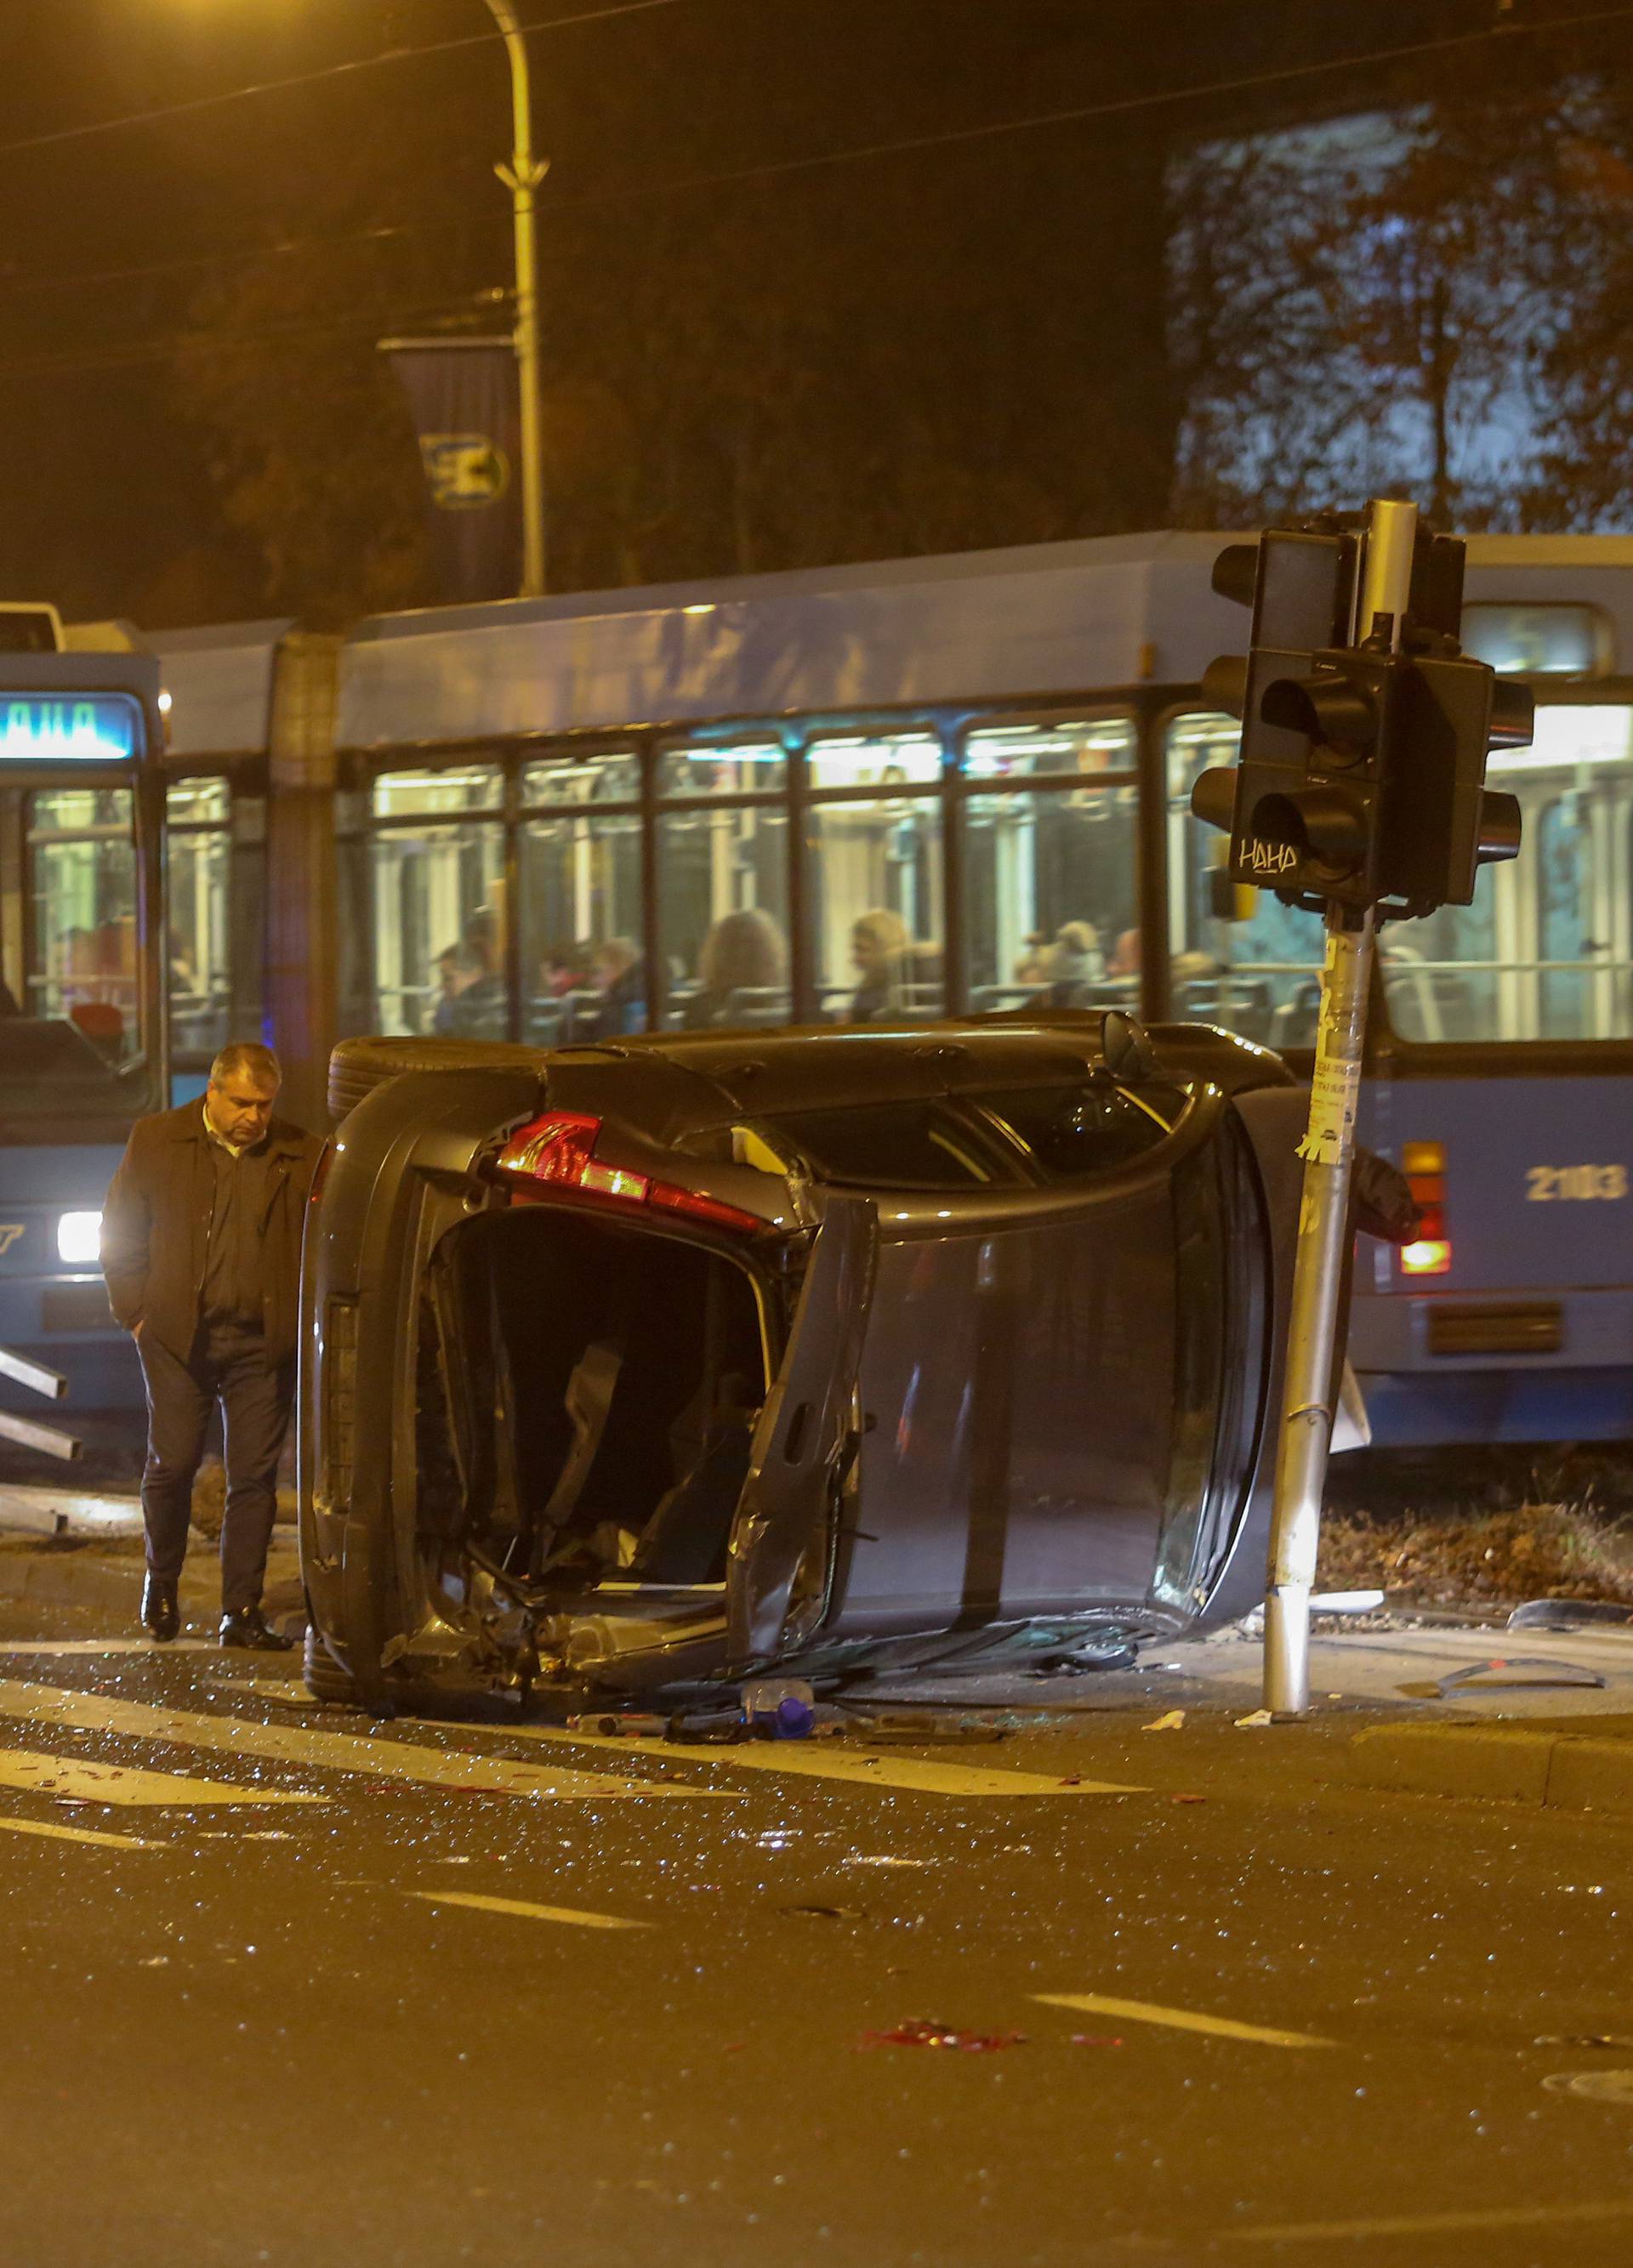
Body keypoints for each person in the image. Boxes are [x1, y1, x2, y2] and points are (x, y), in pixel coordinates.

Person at [100, 1042, 324, 1650]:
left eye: (266, 1104)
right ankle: (162, 1580)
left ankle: (240, 1610)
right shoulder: (158, 1139)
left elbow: (322, 1243)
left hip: (260, 1341)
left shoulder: (300, 1153)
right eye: (244, 1102)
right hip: (178, 1336)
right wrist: (137, 1314)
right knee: (172, 1463)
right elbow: (120, 1227)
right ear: (213, 1091)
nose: (255, 1116)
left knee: (253, 1476)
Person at [683, 908, 788, 1028]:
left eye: (751, 947)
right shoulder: (701, 1008)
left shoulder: (784, 1003)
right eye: (733, 946)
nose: (742, 954)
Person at [847, 908, 909, 1021]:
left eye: (862, 950)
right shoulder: (870, 989)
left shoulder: (893, 996)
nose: (854, 959)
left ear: (885, 949)